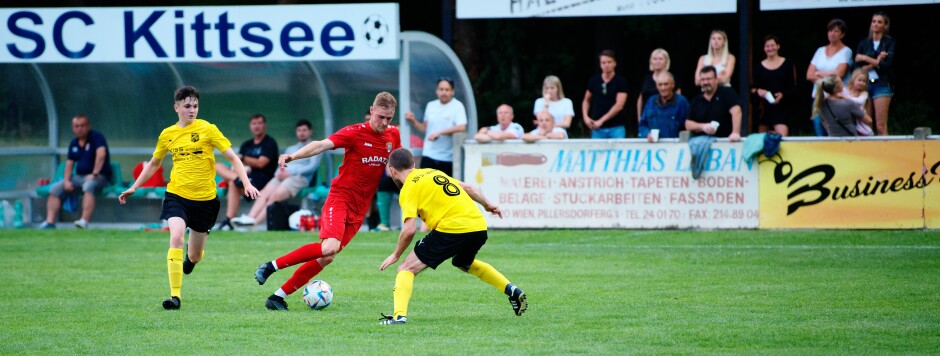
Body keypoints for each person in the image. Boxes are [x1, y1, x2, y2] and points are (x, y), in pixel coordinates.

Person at [254, 92, 402, 310]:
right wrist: (292, 157)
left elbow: (398, 166)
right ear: (372, 110)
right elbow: (321, 145)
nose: (384, 122)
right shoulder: (353, 133)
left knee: (327, 257)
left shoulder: (393, 135)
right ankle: (271, 266)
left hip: (359, 209)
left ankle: (277, 297)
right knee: (328, 247)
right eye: (381, 116)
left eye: (389, 118)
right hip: (340, 198)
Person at [118, 85, 259, 310]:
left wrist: (247, 182)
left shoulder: (208, 129)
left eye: (195, 106)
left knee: (194, 255)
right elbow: (154, 163)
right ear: (176, 108)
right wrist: (134, 186)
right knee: (175, 237)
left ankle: (191, 260)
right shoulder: (168, 134)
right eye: (187, 106)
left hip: (205, 201)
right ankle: (175, 297)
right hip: (177, 195)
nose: (192, 110)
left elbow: (233, 158)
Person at [377, 148, 527, 325]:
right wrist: (488, 204)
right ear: (414, 165)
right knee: (463, 263)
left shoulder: (408, 188)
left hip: (452, 228)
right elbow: (468, 187)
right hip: (478, 225)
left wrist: (396, 254)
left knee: (406, 269)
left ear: (393, 170)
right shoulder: (432, 172)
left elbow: (409, 229)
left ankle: (399, 317)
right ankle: (511, 290)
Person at [231, 120, 321, 227]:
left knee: (275, 195)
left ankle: (255, 223)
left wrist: (290, 173)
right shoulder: (291, 148)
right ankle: (249, 217)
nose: (301, 133)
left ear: (310, 132)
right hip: (282, 176)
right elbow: (282, 163)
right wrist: (279, 173)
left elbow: (312, 167)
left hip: (299, 178)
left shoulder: (315, 146)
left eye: (304, 130)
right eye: (299, 130)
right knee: (264, 192)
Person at [38, 114, 113, 229]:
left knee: (88, 185)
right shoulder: (74, 142)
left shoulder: (97, 138)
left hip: (99, 177)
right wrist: (67, 181)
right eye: (76, 126)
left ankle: (83, 221)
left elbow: (101, 154)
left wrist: (94, 173)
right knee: (55, 188)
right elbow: (69, 163)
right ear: (73, 128)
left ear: (88, 126)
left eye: (82, 125)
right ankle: (50, 222)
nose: (79, 128)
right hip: (78, 177)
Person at [215, 114, 278, 230]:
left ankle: (230, 218)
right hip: (245, 177)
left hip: (261, 181)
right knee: (218, 166)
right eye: (254, 123)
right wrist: (241, 168)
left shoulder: (269, 143)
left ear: (264, 125)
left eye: (259, 123)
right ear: (250, 126)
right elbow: (238, 164)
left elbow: (261, 163)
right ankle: (230, 220)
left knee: (233, 183)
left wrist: (243, 158)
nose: (257, 126)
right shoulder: (246, 145)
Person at [405, 77, 467, 176]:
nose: (444, 92)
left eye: (447, 90)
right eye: (441, 89)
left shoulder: (458, 106)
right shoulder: (431, 105)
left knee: (444, 189)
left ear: (452, 92)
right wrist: (413, 121)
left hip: (448, 158)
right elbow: (425, 129)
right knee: (425, 187)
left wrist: (440, 132)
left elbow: (462, 127)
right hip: (429, 154)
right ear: (437, 91)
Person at [807, 19, 852, 136]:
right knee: (819, 132)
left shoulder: (846, 51)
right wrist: (828, 75)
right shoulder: (820, 51)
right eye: (830, 30)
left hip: (836, 98)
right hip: (818, 96)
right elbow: (809, 74)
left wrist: (818, 73)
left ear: (842, 34)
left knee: (835, 132)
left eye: (836, 31)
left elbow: (839, 74)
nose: (832, 33)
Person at [854, 11, 895, 136]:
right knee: (866, 125)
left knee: (880, 125)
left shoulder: (889, 42)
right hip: (864, 85)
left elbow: (886, 66)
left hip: (881, 85)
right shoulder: (864, 43)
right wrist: (876, 61)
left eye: (879, 22)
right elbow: (857, 67)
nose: (876, 24)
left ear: (885, 25)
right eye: (874, 21)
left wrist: (865, 58)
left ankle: (886, 153)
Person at [751, 35, 797, 136]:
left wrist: (783, 94)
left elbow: (793, 87)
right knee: (762, 141)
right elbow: (752, 88)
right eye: (767, 46)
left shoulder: (788, 64)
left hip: (782, 107)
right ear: (764, 48)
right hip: (764, 108)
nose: (770, 48)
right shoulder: (758, 67)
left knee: (782, 137)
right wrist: (758, 91)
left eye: (772, 45)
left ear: (778, 46)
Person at [686, 66, 742, 142]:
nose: (705, 82)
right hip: (701, 144)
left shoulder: (727, 92)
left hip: (726, 142)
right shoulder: (696, 100)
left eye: (708, 79)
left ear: (716, 79)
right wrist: (703, 126)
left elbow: (736, 111)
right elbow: (688, 124)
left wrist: (735, 132)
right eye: (703, 80)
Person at [582, 50, 629, 139]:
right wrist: (585, 117)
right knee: (596, 152)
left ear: (614, 63)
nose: (606, 65)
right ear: (600, 64)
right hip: (597, 127)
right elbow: (586, 100)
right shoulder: (594, 81)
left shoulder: (620, 81)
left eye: (609, 62)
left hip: (616, 127)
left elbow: (619, 105)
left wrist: (601, 120)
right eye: (603, 63)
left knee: (618, 152)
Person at [638, 71, 689, 142]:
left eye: (666, 84)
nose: (663, 88)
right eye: (660, 84)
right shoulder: (651, 101)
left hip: (675, 147)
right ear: (656, 86)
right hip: (653, 147)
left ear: (673, 85)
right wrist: (647, 134)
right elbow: (642, 124)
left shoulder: (682, 102)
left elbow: (688, 126)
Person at [637, 48, 678, 121]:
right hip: (647, 118)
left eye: (660, 59)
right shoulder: (646, 78)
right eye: (655, 59)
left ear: (666, 61)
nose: (657, 61)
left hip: (666, 118)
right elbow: (640, 99)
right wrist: (639, 117)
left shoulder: (672, 78)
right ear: (651, 61)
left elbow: (678, 99)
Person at [844, 69, 875, 136]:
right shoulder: (845, 90)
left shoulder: (864, 94)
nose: (861, 83)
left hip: (859, 120)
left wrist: (845, 98)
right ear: (853, 79)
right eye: (859, 80)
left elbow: (859, 101)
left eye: (864, 81)